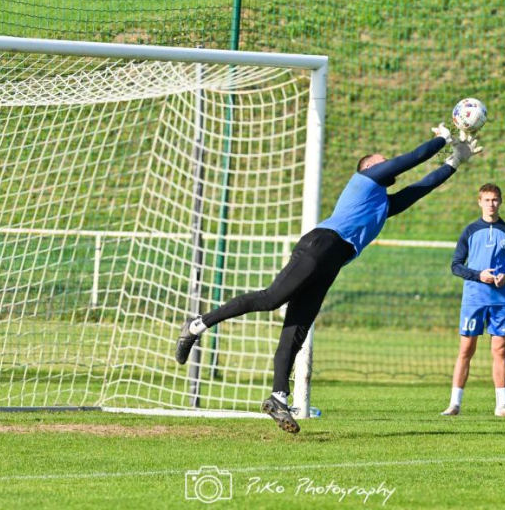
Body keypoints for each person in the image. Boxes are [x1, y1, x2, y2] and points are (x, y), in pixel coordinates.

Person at [176, 123, 483, 433]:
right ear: (367, 168)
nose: (386, 163)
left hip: (332, 260)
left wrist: (454, 160)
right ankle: (196, 325)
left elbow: (420, 188)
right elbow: (409, 160)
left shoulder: (381, 203)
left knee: (296, 330)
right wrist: (442, 138)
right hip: (320, 244)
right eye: (380, 160)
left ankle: (278, 396)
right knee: (271, 299)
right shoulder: (364, 180)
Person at [441, 183, 505, 418]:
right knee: (466, 349)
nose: (491, 204)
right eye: (487, 200)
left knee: (500, 349)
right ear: (479, 202)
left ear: (501, 201)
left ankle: (502, 405)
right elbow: (456, 266)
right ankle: (454, 403)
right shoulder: (470, 231)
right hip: (474, 299)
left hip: (500, 300)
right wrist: (479, 275)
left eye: (495, 199)